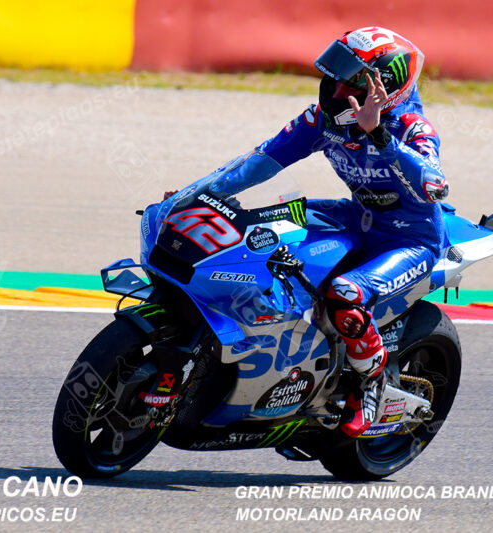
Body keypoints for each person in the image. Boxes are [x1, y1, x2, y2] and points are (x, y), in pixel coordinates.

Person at [168, 27, 449, 437]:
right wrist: (198, 192)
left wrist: (379, 134)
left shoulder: (411, 127)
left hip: (411, 239)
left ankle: (370, 385)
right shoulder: (323, 119)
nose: (334, 88)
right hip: (357, 217)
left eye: (349, 81)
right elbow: (261, 161)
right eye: (334, 76)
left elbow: (434, 185)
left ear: (381, 85)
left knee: (345, 296)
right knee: (258, 226)